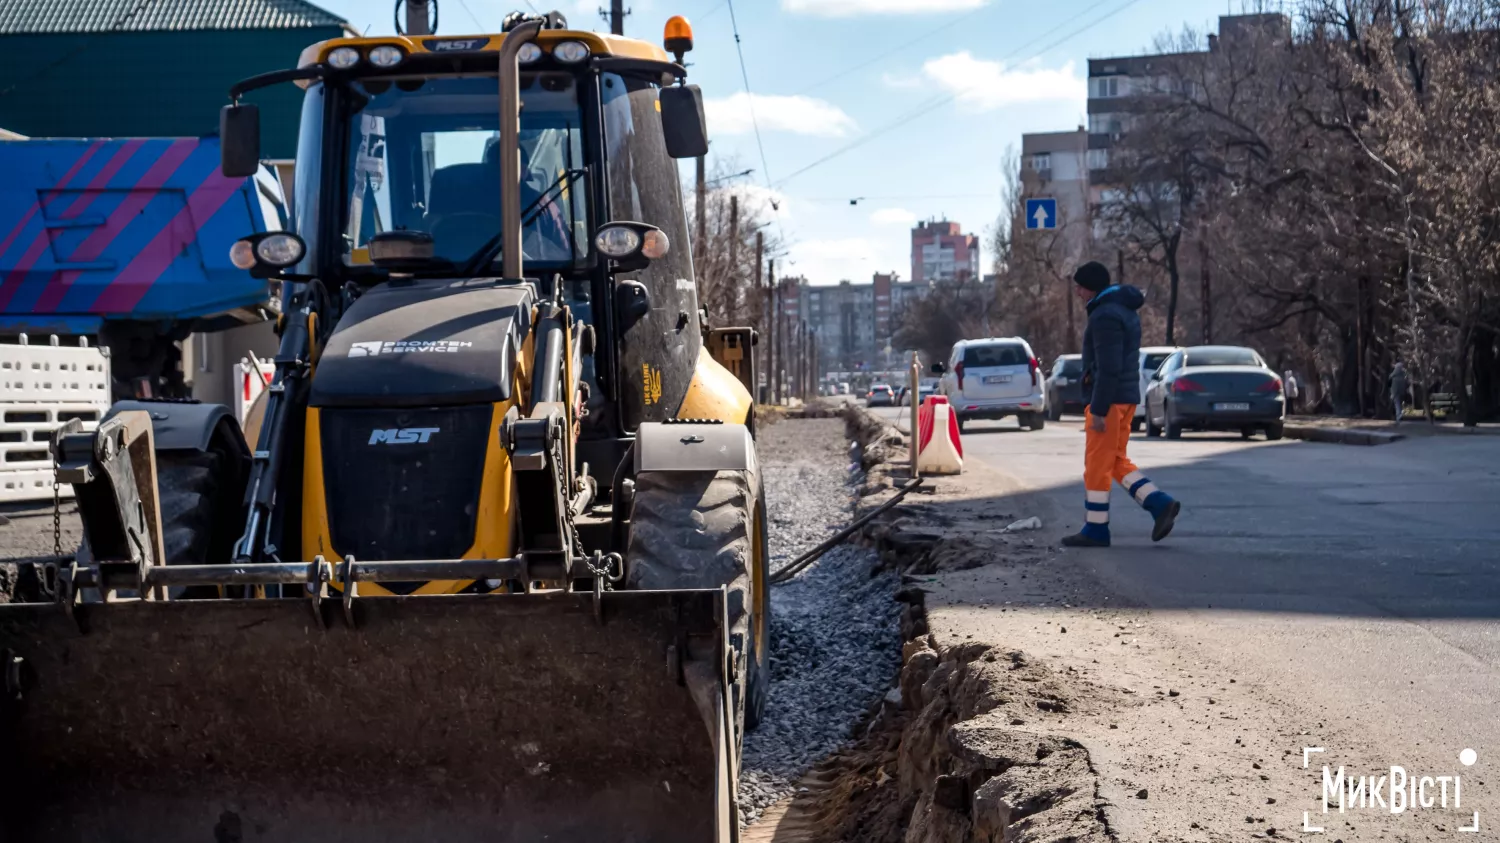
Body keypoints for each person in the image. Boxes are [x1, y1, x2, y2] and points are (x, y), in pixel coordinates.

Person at [1062, 261, 1182, 548]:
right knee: (1114, 460)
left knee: (1096, 466)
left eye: (1079, 286)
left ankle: (1096, 529)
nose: (1077, 292)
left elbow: (1108, 366)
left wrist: (1099, 409)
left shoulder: (1104, 316)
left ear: (1090, 287)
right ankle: (1157, 503)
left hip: (1109, 400)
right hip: (1124, 397)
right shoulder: (1122, 310)